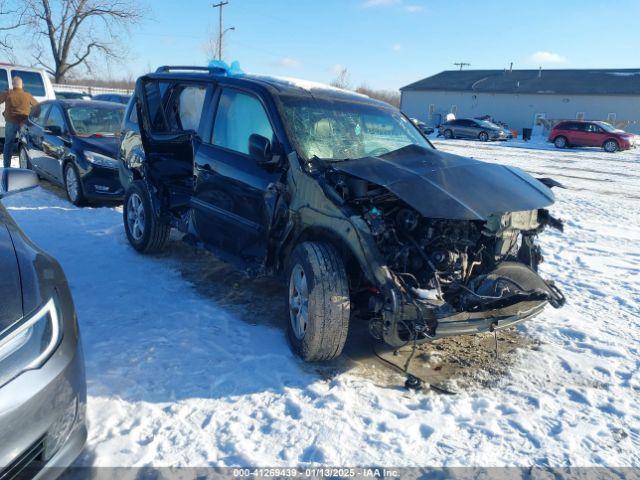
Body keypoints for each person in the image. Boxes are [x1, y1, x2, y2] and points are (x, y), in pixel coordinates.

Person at [0, 76, 38, 168]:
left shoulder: (8, 93)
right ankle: (26, 166)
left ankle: (6, 166)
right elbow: (38, 107)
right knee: (25, 145)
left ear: (13, 84)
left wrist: (5, 113)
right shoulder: (27, 95)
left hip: (10, 122)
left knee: (8, 144)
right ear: (22, 85)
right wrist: (32, 118)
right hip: (24, 123)